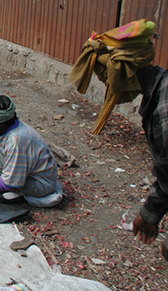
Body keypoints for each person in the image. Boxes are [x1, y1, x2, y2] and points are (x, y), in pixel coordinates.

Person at [68, 19, 167, 260]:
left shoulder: (165, 108)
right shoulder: (159, 90)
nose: (103, 82)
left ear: (122, 70)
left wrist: (150, 213)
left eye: (104, 75)